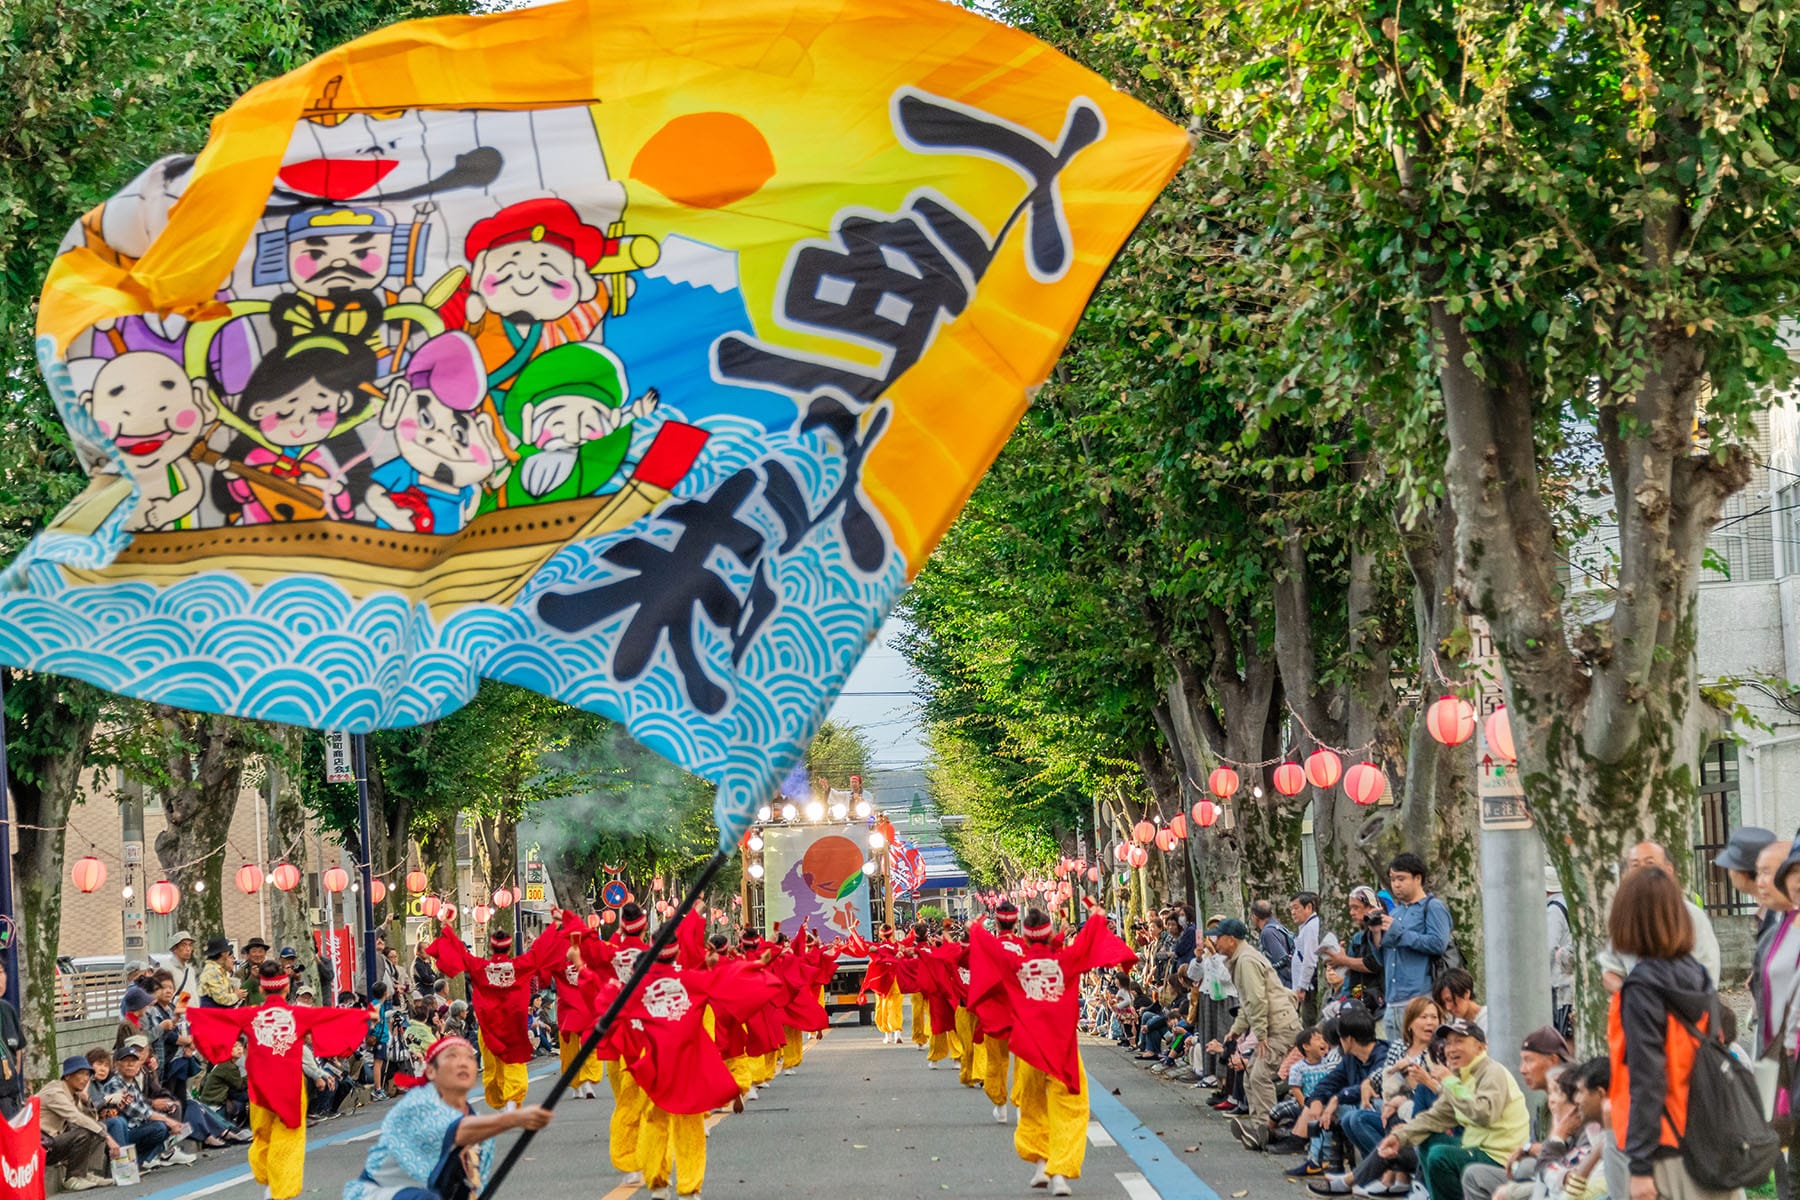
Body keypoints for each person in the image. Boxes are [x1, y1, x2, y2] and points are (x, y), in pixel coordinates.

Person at [968, 902, 1137, 1196]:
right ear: (1047, 937)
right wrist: (1096, 915)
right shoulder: (1065, 962)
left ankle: (1040, 1166)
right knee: (1070, 1111)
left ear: (1025, 935)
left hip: (1030, 1053)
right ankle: (1060, 1174)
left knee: (1033, 1110)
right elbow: (1085, 942)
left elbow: (987, 948)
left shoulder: (1016, 965)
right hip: (1063, 1054)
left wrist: (976, 927)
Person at [1607, 864, 1740, 1200]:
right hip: (1708, 1137)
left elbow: (1647, 1076)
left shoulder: (1640, 989)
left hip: (1663, 1147)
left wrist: (1639, 1166)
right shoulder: (1698, 977)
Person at [187, 961, 370, 1200]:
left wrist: (189, 1013)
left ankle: (267, 1176)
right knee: (289, 1139)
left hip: (259, 1090)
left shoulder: (251, 1014)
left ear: (262, 990)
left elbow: (217, 1019)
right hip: (289, 1088)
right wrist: (365, 1015)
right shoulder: (299, 1014)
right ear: (286, 989)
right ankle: (279, 1191)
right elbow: (333, 1018)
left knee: (263, 1136)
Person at [345, 1034, 553, 1200]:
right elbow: (455, 1131)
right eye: (452, 1057)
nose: (463, 1063)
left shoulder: (478, 1128)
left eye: (469, 1058)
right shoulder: (418, 1103)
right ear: (432, 1071)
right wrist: (513, 1119)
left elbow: (472, 1185)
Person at [427, 913, 571, 1110]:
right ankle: (512, 1100)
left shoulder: (481, 967)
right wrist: (554, 926)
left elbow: (462, 954)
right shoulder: (519, 966)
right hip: (513, 1025)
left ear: (491, 947)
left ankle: (501, 1102)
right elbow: (537, 952)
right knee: (514, 1063)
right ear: (510, 947)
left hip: (489, 1028)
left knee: (493, 1069)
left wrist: (447, 929)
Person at [1375, 1018, 1529, 1200]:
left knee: (1440, 1156)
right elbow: (1434, 1117)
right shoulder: (1460, 1075)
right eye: (1448, 1043)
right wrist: (1398, 1137)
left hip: (1501, 1157)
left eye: (1459, 1041)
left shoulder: (1492, 1072)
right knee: (1426, 1139)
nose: (1451, 1049)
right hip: (1476, 1148)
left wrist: (1449, 1082)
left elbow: (1485, 1114)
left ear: (1480, 1047)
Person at [1208, 916, 1304, 1152]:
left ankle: (1273, 1129)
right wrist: (1236, 1030)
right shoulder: (1241, 959)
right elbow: (1247, 1003)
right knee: (1253, 1072)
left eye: (1219, 937)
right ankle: (1262, 1127)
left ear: (1231, 939)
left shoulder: (1246, 961)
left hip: (1279, 1025)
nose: (1215, 942)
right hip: (1272, 1024)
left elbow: (1257, 1000)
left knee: (1260, 1074)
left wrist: (1260, 1035)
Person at [1457, 1026, 1572, 1200]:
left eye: (1529, 1060)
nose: (1522, 1069)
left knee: (1525, 1168)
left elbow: (1568, 1154)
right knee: (1474, 1175)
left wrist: (1528, 1149)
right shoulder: (1544, 1103)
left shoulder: (1573, 1098)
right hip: (1532, 1173)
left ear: (1553, 1060)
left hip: (1561, 1179)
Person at [1600, 841, 1722, 989]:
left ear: (1669, 870)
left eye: (1649, 863)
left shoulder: (1691, 916)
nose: (1642, 871)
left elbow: (1709, 971)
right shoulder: (1626, 917)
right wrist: (1632, 995)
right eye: (1635, 865)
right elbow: (1610, 970)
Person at [1371, 853, 1454, 1042]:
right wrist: (1377, 933)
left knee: (1423, 1059)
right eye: (1393, 879)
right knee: (1397, 1063)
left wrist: (1399, 932)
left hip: (1421, 998)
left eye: (1401, 879)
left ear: (1418, 879)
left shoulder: (1433, 907)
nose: (1396, 884)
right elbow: (1382, 959)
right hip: (1392, 1001)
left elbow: (1437, 944)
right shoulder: (1396, 911)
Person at [1295, 1003, 1390, 1167]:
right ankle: (1322, 1161)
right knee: (1323, 1104)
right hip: (1364, 1110)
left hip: (1385, 1114)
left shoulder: (1384, 1055)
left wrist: (1337, 1099)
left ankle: (1384, 1166)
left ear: (1349, 1039)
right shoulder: (1351, 1058)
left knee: (1350, 1115)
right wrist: (1316, 1100)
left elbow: (1371, 1089)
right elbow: (1329, 1081)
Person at [36, 1055, 115, 1190]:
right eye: (81, 1074)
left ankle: (86, 1173)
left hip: (53, 1141)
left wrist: (86, 1101)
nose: (85, 1079)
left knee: (98, 1127)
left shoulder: (73, 1094)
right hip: (42, 1145)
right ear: (67, 1076)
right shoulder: (55, 1092)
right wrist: (107, 1137)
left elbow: (91, 1119)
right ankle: (72, 1178)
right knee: (86, 1131)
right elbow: (76, 1117)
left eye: (88, 1075)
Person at [1322, 886, 1385, 1019]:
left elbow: (1374, 964)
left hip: (1380, 1004)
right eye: (1350, 908)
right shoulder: (1357, 938)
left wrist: (1343, 960)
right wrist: (1337, 960)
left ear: (1371, 907)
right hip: (1357, 1001)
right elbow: (1350, 973)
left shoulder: (1381, 932)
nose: (1351, 912)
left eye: (1356, 907)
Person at [1291, 892, 1323, 1024]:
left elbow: (1309, 960)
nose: (1293, 912)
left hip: (1309, 987)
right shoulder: (1306, 928)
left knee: (1309, 1023)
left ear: (1309, 907)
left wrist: (1302, 986)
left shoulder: (1311, 928)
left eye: (1296, 908)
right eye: (1291, 909)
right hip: (1306, 985)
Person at [1252, 900, 1297, 989]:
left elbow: (1282, 961)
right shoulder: (1277, 926)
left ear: (1255, 916)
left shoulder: (1268, 933)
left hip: (1283, 986)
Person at [199, 937, 246, 1007]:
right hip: (212, 1014)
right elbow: (221, 998)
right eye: (228, 951)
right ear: (223, 953)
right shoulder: (212, 970)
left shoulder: (218, 970)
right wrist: (236, 995)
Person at [166, 932, 201, 1006]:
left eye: (190, 945)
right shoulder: (168, 970)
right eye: (184, 945)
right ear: (174, 948)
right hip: (178, 1015)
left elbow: (189, 994)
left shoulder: (190, 970)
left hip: (193, 1014)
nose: (188, 949)